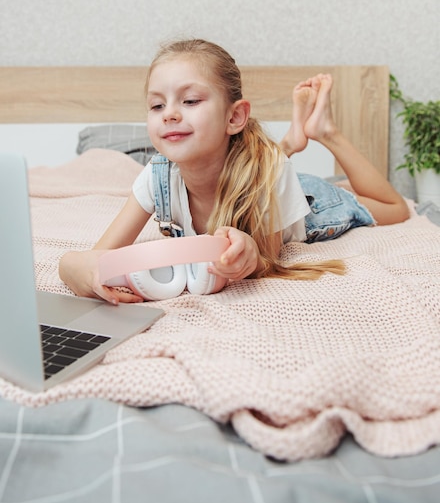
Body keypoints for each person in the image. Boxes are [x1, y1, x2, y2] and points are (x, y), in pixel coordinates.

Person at [59, 39, 409, 305]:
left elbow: (267, 258)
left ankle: (324, 131)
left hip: (306, 204)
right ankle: (290, 140)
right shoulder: (157, 176)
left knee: (393, 208)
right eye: (157, 104)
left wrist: (251, 256)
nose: (169, 113)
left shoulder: (270, 172)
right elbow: (95, 256)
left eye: (190, 101)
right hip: (265, 173)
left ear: (234, 117)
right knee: (272, 162)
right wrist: (75, 269)